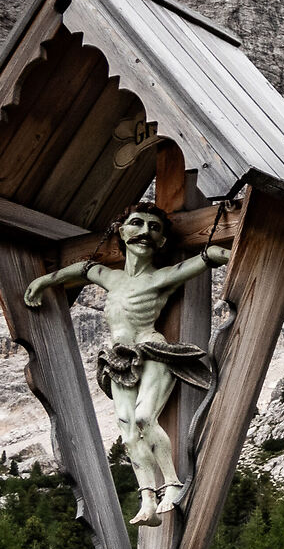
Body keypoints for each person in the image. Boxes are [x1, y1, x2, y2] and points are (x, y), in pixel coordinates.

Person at [25, 198, 231, 524]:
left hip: (151, 348)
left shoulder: (160, 278)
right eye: (137, 224)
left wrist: (229, 255)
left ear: (162, 240)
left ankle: (174, 486)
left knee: (145, 417)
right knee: (127, 429)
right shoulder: (111, 278)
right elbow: (82, 268)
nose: (144, 232)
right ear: (122, 232)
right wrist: (45, 281)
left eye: (154, 227)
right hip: (118, 357)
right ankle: (148, 499)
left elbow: (204, 259)